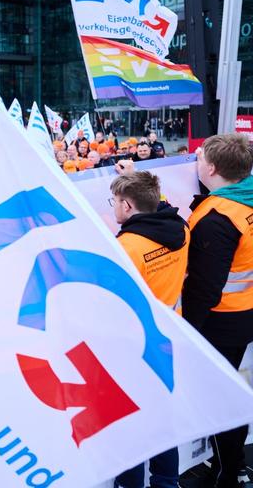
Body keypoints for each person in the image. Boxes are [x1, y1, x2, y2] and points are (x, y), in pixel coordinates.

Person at [110, 172, 189, 488]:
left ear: (127, 205)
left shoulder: (126, 246)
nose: (113, 207)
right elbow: (162, 205)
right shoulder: (180, 228)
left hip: (135, 350)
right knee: (161, 422)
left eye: (114, 202)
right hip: (170, 340)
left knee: (130, 425)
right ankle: (168, 482)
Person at [183, 134, 253, 487]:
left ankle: (231, 470)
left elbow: (204, 287)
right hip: (245, 314)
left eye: (199, 160)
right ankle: (233, 464)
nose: (195, 164)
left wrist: (186, 331)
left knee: (220, 397)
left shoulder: (217, 218)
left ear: (211, 168)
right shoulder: (246, 196)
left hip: (221, 323)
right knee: (229, 390)